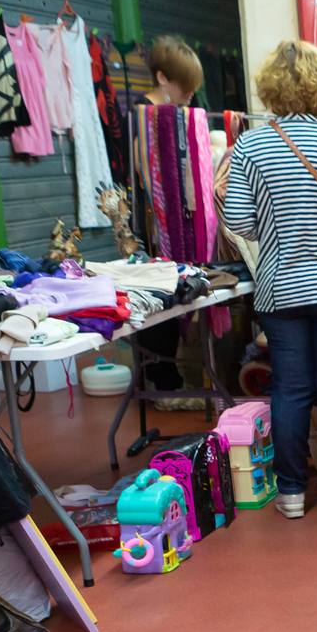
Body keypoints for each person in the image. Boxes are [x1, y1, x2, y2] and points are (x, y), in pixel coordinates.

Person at [220, 40, 317, 520]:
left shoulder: (248, 145)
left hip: (278, 288)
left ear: (270, 87)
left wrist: (274, 227)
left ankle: (290, 493)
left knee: (289, 389)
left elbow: (238, 221)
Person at [137, 36, 205, 400]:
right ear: (163, 78)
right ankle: (162, 382)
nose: (190, 94)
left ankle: (168, 377)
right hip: (154, 227)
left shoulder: (176, 116)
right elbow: (145, 173)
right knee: (159, 298)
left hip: (173, 221)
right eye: (185, 86)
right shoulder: (144, 115)